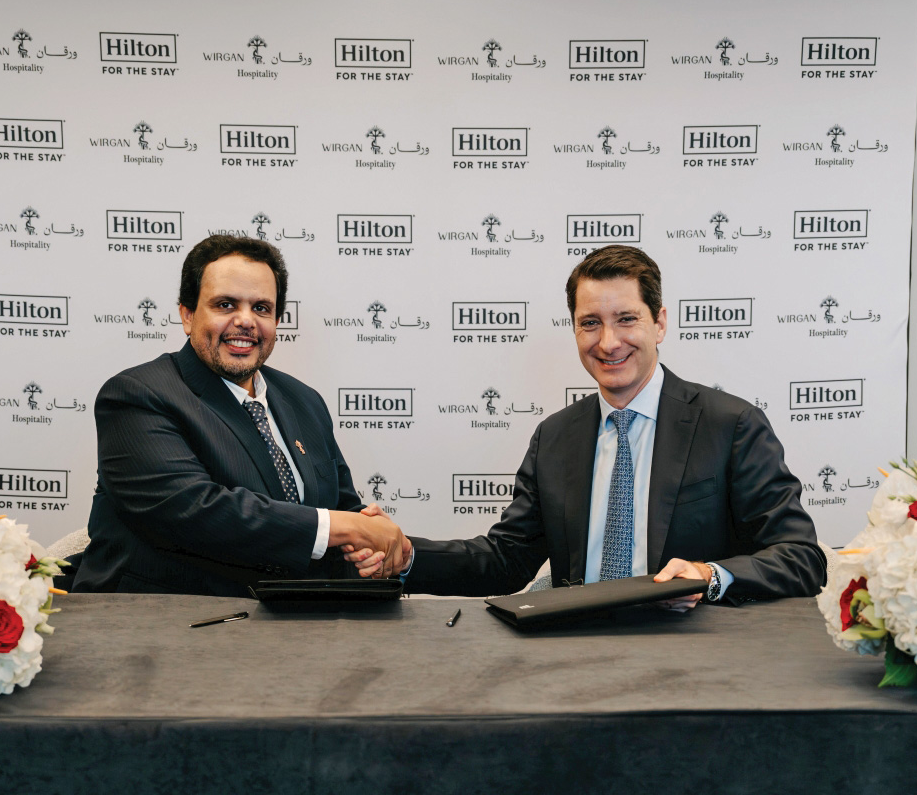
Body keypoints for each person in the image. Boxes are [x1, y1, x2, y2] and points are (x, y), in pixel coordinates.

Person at [352, 244, 825, 605]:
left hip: (692, 655)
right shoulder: (555, 437)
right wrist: (407, 554)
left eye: (626, 319)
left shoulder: (730, 424)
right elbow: (505, 560)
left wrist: (708, 576)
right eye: (591, 323)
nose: (609, 342)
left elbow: (801, 557)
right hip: (575, 653)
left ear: (659, 323)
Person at [74, 235, 409, 595]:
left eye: (261, 308)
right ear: (187, 315)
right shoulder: (138, 395)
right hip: (159, 622)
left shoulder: (304, 401)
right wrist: (343, 527)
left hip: (294, 621)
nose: (246, 321)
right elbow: (195, 512)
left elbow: (344, 513)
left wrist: (381, 546)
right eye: (225, 304)